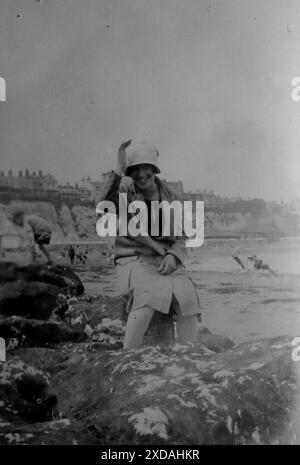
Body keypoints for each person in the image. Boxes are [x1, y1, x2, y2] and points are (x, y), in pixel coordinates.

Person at [98, 139, 201, 349]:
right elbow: (103, 204)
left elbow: (181, 237)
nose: (141, 174)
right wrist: (119, 167)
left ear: (154, 170)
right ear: (129, 172)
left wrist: (174, 256)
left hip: (165, 259)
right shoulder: (125, 194)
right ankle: (128, 356)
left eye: (146, 168)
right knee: (147, 298)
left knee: (188, 299)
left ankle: (188, 356)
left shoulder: (171, 197)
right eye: (135, 169)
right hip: (133, 259)